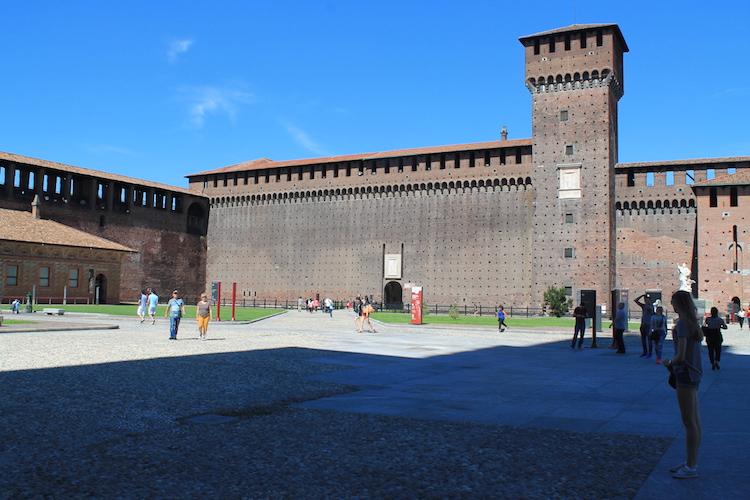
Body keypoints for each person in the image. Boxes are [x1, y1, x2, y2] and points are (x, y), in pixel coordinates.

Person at [663, 290, 703, 479]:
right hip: (694, 373)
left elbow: (680, 355)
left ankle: (691, 467)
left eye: (673, 302)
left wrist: (667, 362)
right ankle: (690, 461)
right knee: (695, 421)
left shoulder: (682, 324)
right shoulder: (693, 323)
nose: (671, 305)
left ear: (679, 304)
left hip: (685, 374)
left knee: (688, 422)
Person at [634, 294, 655, 358]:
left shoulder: (651, 306)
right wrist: (642, 295)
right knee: (643, 339)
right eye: (645, 299)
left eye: (647, 299)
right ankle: (645, 352)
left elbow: (650, 308)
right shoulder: (644, 306)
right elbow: (636, 300)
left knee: (649, 340)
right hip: (643, 324)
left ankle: (650, 353)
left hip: (648, 325)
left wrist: (648, 303)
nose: (646, 300)